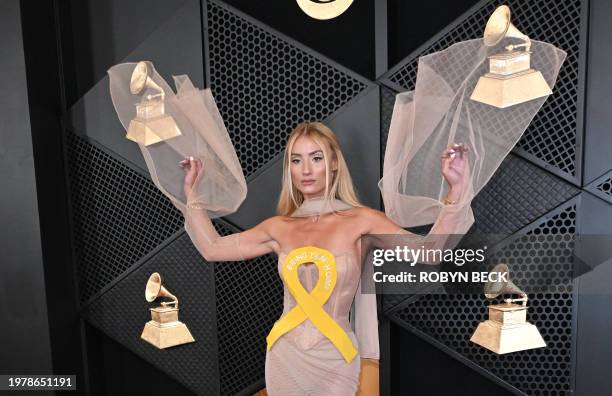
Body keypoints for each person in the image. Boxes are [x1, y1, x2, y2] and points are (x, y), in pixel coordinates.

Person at [179, 121, 469, 395]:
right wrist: (192, 194)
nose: (306, 169)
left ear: (333, 162)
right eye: (296, 160)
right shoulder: (278, 227)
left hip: (336, 356)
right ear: (289, 169)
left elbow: (430, 253)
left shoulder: (362, 220)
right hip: (284, 355)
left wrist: (455, 189)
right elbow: (213, 248)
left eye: (316, 158)